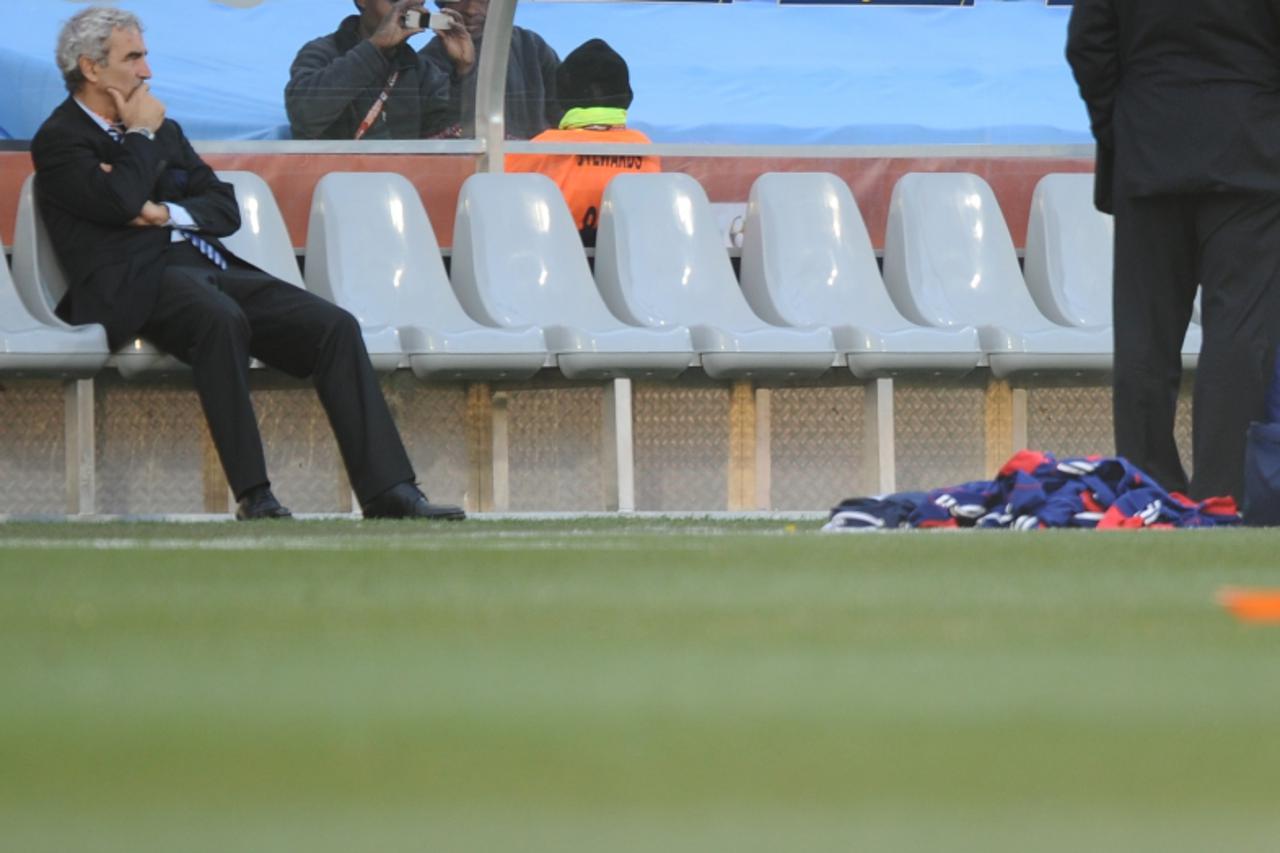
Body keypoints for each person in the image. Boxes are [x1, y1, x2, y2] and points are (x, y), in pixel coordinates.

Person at [34, 6, 465, 521]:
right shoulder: (61, 139)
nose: (147, 71)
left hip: (205, 268)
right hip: (132, 284)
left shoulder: (162, 129)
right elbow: (120, 202)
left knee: (333, 326)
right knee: (220, 319)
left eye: (144, 56)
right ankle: (255, 494)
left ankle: (389, 489)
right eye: (134, 58)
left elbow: (223, 207)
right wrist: (140, 142)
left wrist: (164, 210)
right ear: (91, 68)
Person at [1067, 0, 1280, 503]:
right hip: (1252, 147)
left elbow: (1088, 44)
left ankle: (1146, 489)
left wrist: (1120, 126)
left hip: (1150, 144)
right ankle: (1224, 492)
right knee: (1240, 334)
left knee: (1146, 336)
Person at [506, 39, 660, 246]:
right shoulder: (643, 146)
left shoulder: (541, 146)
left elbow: (498, 194)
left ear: (561, 96)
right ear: (628, 96)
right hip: (632, 261)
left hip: (555, 259)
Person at [285, 0, 470, 140]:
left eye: (416, 4)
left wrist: (463, 71)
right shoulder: (323, 52)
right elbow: (304, 116)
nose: (403, 14)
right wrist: (375, 48)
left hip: (399, 184)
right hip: (336, 184)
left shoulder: (422, 70)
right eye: (394, 1)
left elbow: (445, 135)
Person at [418, 0, 561, 139]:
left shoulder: (531, 46)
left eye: (484, 0)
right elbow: (441, 138)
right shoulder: (425, 65)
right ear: (442, 3)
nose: (471, 10)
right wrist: (464, 71)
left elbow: (564, 115)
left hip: (533, 160)